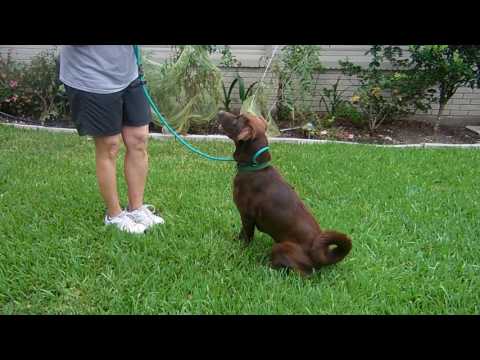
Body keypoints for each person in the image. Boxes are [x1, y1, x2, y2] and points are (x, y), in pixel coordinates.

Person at [59, 45, 164, 234]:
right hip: (91, 75)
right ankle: (114, 215)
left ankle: (136, 208)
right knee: (110, 146)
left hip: (128, 73)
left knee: (139, 139)